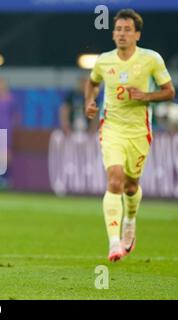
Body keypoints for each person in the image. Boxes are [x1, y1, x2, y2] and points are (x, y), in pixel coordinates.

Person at [84, 9, 175, 262]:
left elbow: (169, 92)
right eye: (118, 30)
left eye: (127, 30)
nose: (121, 34)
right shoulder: (104, 61)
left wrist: (146, 96)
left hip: (139, 132)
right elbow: (91, 82)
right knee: (114, 180)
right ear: (113, 34)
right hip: (111, 128)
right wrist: (90, 102)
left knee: (131, 185)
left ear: (137, 35)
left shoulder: (151, 60)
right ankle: (114, 243)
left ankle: (130, 220)